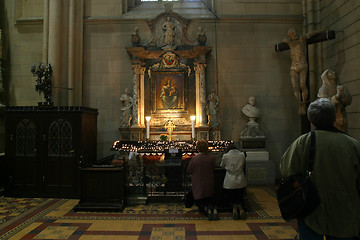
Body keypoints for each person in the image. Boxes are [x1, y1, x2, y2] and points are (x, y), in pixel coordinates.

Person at [280, 98, 360, 240]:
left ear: (310, 119)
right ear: (335, 117)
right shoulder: (352, 144)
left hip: (312, 209)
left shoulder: (304, 142)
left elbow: (287, 170)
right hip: (345, 209)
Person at [283, 28, 320, 115]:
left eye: (295, 32)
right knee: (295, 86)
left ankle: (304, 103)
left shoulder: (302, 40)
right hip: (294, 67)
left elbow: (310, 34)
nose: (295, 33)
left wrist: (318, 31)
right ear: (290, 36)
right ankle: (299, 103)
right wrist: (285, 41)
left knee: (302, 84)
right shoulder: (290, 44)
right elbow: (284, 40)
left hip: (302, 65)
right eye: (292, 33)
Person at [187, 140, 218, 221]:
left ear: (198, 148)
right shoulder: (211, 158)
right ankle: (212, 209)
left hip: (198, 182)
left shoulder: (195, 158)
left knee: (199, 200)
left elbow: (189, 170)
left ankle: (205, 209)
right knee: (209, 198)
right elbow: (214, 167)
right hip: (209, 181)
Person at [220, 143, 247, 220]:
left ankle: (234, 208)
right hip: (240, 177)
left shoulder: (226, 156)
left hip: (229, 179)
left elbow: (222, 165)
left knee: (231, 195)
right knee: (239, 194)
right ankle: (241, 208)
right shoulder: (242, 155)